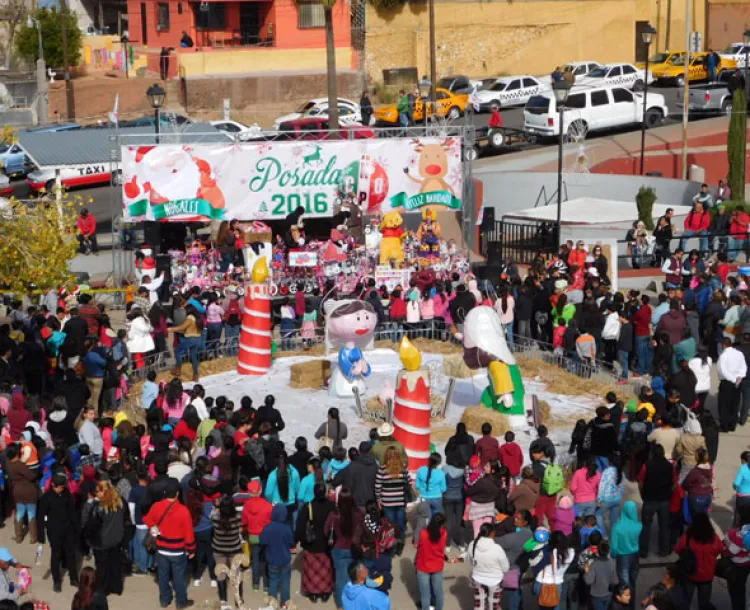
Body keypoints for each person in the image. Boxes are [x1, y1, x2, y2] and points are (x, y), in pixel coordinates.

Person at [143, 479, 196, 610]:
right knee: (179, 577)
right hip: (178, 550)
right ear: (177, 494)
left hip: (161, 549)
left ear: (165, 492)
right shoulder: (184, 511)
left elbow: (147, 520)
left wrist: (154, 528)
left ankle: (164, 600)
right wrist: (191, 549)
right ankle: (181, 601)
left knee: (163, 575)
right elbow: (188, 534)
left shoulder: (156, 506)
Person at [673, 512, 726, 610]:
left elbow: (677, 549)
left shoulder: (688, 537)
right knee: (704, 603)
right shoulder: (713, 538)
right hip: (707, 575)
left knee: (685, 600)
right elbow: (720, 549)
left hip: (690, 573)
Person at [38, 471, 80, 592]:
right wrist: (41, 535)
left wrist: (77, 528)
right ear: (54, 485)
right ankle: (57, 580)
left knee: (71, 554)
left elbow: (72, 512)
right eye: (61, 487)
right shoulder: (46, 498)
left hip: (67, 530)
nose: (62, 489)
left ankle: (73, 577)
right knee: (56, 555)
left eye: (63, 487)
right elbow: (40, 517)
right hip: (54, 531)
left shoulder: (67, 495)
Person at [295, 482, 335, 603]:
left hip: (311, 545)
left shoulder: (308, 507)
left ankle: (312, 593)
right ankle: (325, 593)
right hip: (326, 545)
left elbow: (301, 527)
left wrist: (300, 540)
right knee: (325, 571)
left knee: (311, 571)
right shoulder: (332, 506)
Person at [325, 487, 363, 609]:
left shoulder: (334, 515)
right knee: (355, 578)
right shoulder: (359, 514)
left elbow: (326, 531)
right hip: (354, 549)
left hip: (338, 549)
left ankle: (341, 605)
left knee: (341, 579)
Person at [639, 444, 674, 558]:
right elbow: (674, 483)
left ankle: (643, 551)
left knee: (646, 526)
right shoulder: (670, 466)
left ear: (652, 453)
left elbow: (641, 482)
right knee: (664, 526)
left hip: (649, 499)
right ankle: (664, 550)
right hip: (664, 500)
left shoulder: (647, 465)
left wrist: (642, 495)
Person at [467, 522, 509, 610]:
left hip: (477, 578)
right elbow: (506, 567)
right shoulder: (497, 548)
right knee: (494, 605)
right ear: (492, 533)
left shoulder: (472, 544)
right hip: (495, 580)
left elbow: (470, 562)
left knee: (479, 605)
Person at [241, 479, 272, 592]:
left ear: (249, 493)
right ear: (260, 491)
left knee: (255, 559)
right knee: (266, 560)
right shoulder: (267, 505)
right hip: (266, 536)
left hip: (253, 536)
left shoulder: (247, 506)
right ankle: (266, 585)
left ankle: (255, 584)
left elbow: (244, 521)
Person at [374, 446, 409, 541]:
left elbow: (378, 486)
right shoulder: (403, 468)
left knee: (390, 523)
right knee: (400, 521)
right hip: (401, 500)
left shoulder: (382, 469)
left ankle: (391, 541)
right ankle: (401, 539)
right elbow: (408, 482)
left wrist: (378, 499)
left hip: (387, 501)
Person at [610, 501, 641, 610]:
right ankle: (632, 606)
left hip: (623, 557)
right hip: (635, 556)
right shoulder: (638, 526)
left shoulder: (617, 527)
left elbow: (613, 547)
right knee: (633, 583)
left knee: (625, 584)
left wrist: (613, 555)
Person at [533, 530, 575, 607]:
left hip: (541, 582)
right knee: (556, 606)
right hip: (557, 584)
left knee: (542, 606)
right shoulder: (571, 552)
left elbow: (535, 563)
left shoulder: (549, 552)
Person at [416, 513, 447, 610]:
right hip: (437, 566)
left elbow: (418, 545)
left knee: (425, 595)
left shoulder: (423, 533)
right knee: (439, 592)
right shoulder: (444, 533)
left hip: (423, 566)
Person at [718, 336, 747, 432]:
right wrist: (739, 377)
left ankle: (725, 426)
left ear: (724, 345)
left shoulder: (723, 356)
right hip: (738, 382)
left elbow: (723, 370)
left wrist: (732, 379)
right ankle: (732, 424)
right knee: (735, 404)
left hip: (727, 382)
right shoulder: (739, 354)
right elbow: (744, 367)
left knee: (724, 405)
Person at [169, 304, 204, 382]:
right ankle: (196, 375)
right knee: (193, 356)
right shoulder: (198, 317)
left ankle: (178, 369)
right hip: (197, 338)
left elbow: (181, 327)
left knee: (177, 351)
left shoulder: (190, 318)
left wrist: (170, 329)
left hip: (190, 339)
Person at [583, 539, 618, 610]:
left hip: (596, 595)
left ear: (598, 551)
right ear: (608, 550)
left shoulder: (594, 564)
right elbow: (615, 581)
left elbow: (588, 581)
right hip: (608, 594)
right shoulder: (612, 563)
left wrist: (586, 572)